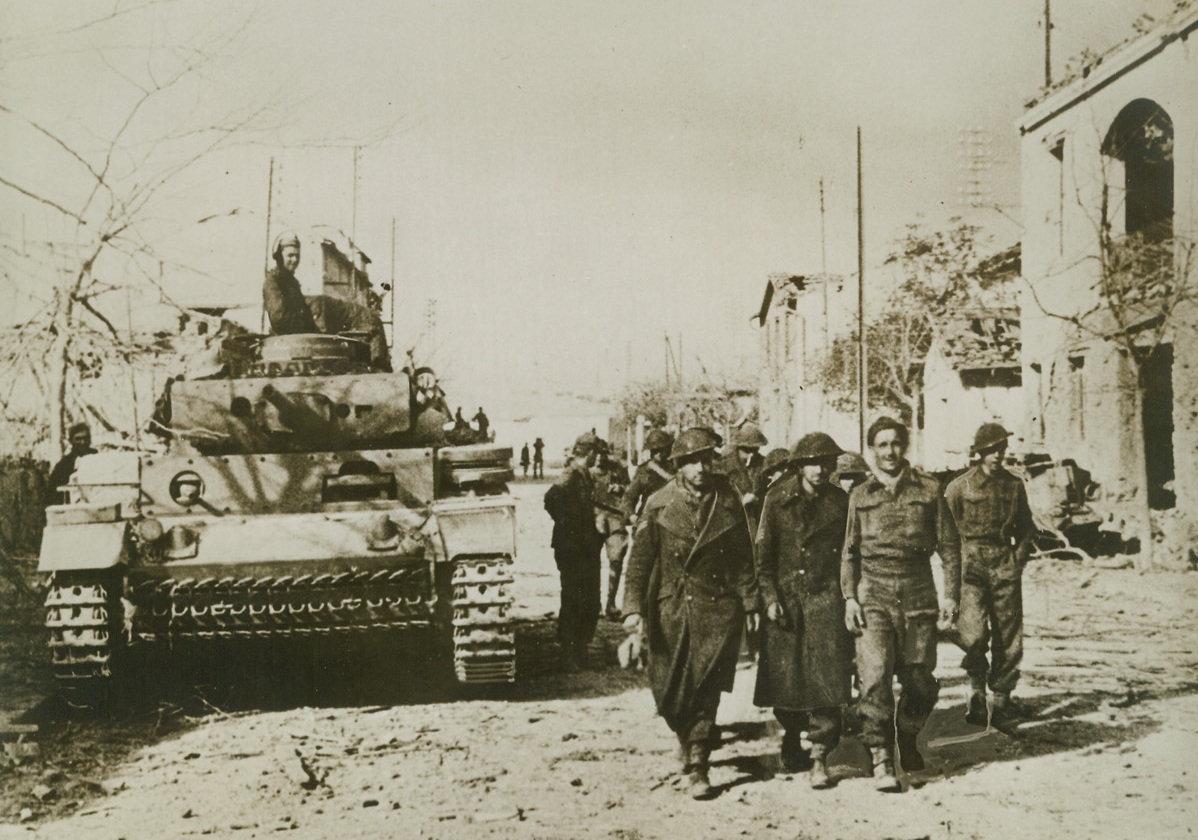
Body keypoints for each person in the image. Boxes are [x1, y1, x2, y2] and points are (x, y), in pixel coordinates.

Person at [622, 427, 759, 800]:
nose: (700, 468)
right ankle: (684, 732)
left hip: (717, 605)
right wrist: (633, 610)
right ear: (678, 466)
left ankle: (699, 763)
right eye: (691, 462)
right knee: (668, 691)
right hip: (672, 607)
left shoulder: (726, 498)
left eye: (705, 459)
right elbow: (639, 563)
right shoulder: (658, 503)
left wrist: (749, 600)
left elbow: (743, 555)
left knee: (706, 686)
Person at [841, 416, 961, 792]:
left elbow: (950, 547)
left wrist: (952, 595)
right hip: (874, 594)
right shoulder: (860, 495)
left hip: (917, 593)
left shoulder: (929, 489)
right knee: (873, 676)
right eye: (881, 445)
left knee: (920, 679)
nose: (889, 451)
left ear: (904, 446)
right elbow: (849, 552)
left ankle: (908, 736)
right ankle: (880, 757)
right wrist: (849, 597)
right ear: (872, 450)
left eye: (895, 443)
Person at [754, 433, 854, 789]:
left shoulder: (841, 502)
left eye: (827, 463)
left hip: (826, 600)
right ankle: (791, 734)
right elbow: (762, 559)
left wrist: (848, 596)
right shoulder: (776, 499)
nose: (820, 470)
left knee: (827, 680)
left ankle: (819, 756)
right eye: (813, 463)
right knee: (786, 682)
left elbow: (848, 554)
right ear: (799, 466)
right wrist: (769, 597)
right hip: (786, 602)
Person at [944, 422, 1035, 732]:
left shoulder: (1014, 484)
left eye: (1001, 449)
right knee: (972, 633)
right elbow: (945, 533)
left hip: (1003, 563)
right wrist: (953, 568)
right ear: (980, 452)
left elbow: (1026, 529)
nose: (997, 455)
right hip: (970, 564)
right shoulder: (959, 487)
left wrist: (1016, 561)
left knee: (1009, 636)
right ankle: (976, 690)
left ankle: (1001, 700)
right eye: (991, 450)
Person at [544, 433, 603, 672]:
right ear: (589, 453)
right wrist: (568, 524)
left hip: (585, 547)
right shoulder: (570, 475)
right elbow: (551, 498)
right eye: (595, 453)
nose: (597, 457)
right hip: (573, 548)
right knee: (574, 599)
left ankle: (580, 649)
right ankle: (569, 654)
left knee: (589, 599)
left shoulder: (583, 475)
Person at [590, 440, 630, 619]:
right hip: (592, 519)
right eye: (595, 453)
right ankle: (594, 604)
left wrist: (620, 487)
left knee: (616, 559)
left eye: (602, 453)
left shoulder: (618, 469)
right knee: (591, 564)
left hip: (615, 518)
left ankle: (610, 603)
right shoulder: (585, 472)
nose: (599, 457)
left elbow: (631, 489)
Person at [715, 422, 769, 533]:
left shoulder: (764, 464)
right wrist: (740, 503)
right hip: (732, 526)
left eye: (755, 449)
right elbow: (717, 502)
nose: (752, 454)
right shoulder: (723, 467)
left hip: (758, 524)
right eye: (747, 450)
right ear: (738, 447)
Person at [262, 232, 318, 335]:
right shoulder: (273, 282)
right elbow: (280, 320)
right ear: (279, 257)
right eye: (290, 255)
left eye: (297, 256)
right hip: (283, 340)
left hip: (296, 339)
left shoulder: (293, 283)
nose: (295, 260)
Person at [621, 429, 675, 526]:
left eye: (661, 449)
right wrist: (632, 515)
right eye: (654, 450)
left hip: (674, 514)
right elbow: (629, 497)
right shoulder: (644, 471)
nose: (658, 453)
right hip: (651, 516)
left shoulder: (676, 467)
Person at [45, 422, 96, 506]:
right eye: (78, 439)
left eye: (86, 438)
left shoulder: (97, 457)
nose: (83, 442)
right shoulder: (63, 465)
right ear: (71, 441)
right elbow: (53, 492)